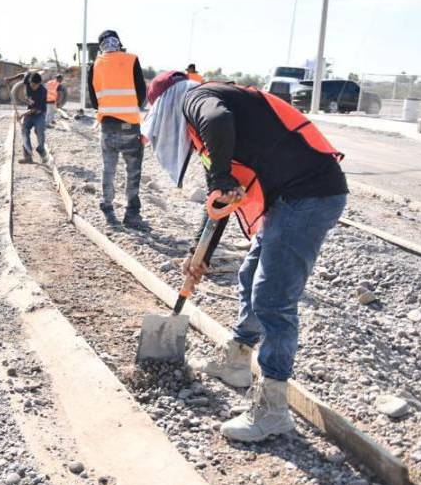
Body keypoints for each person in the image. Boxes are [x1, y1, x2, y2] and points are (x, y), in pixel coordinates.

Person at [141, 70, 348, 443]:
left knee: (273, 299)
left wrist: (219, 177)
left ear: (167, 104)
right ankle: (237, 359)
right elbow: (221, 201)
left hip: (308, 196)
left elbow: (219, 125)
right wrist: (197, 252)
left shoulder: (198, 100)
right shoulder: (208, 134)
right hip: (290, 198)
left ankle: (272, 411)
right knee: (250, 276)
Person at [86, 29, 149, 230]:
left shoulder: (95, 65)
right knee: (133, 171)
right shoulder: (131, 59)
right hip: (129, 124)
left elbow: (94, 100)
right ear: (118, 42)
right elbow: (141, 93)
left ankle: (108, 208)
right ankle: (132, 214)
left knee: (109, 169)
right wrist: (129, 107)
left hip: (107, 126)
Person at [19, 72, 48, 163]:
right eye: (31, 84)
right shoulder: (28, 79)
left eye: (35, 85)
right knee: (24, 130)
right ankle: (28, 156)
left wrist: (22, 114)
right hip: (29, 112)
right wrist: (10, 79)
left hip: (39, 113)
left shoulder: (42, 91)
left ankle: (41, 151)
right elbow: (23, 74)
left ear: (39, 84)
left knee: (40, 131)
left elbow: (35, 109)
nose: (32, 87)